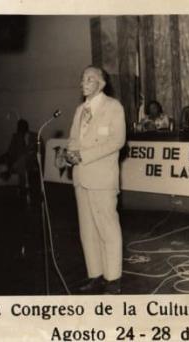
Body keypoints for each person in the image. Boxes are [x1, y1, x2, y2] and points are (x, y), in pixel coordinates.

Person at [66, 65, 126, 294]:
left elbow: (117, 141)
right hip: (81, 177)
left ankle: (113, 279)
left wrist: (84, 155)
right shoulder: (80, 109)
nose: (83, 83)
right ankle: (96, 275)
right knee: (87, 231)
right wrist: (70, 155)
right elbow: (73, 139)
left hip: (102, 179)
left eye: (89, 79)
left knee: (107, 229)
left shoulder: (113, 107)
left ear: (101, 83)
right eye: (82, 79)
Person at [1, 119, 39, 201]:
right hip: (20, 163)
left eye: (23, 126)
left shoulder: (35, 136)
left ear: (27, 127)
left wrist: (33, 151)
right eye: (19, 127)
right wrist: (8, 159)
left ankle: (9, 172)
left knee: (24, 158)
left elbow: (40, 149)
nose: (21, 128)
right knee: (22, 161)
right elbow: (10, 151)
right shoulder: (15, 137)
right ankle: (23, 189)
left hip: (32, 161)